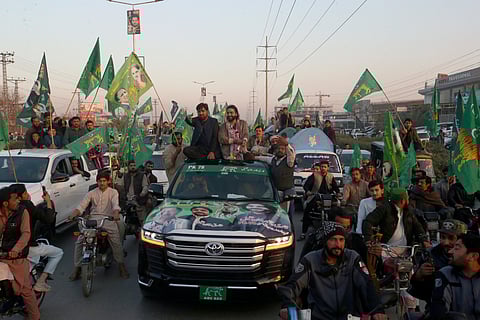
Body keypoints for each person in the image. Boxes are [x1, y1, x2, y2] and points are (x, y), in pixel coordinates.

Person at [278, 222, 386, 320]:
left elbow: (367, 285)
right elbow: (291, 286)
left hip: (349, 317)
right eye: (333, 239)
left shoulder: (353, 258)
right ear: (325, 241)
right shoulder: (310, 260)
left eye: (341, 240)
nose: (338, 244)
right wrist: (288, 306)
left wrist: (378, 310)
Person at [68, 170, 129, 280]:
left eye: (104, 181)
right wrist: (73, 214)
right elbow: (81, 206)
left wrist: (115, 214)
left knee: (115, 241)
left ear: (108, 181)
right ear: (97, 182)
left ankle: (121, 265)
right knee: (80, 240)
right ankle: (77, 268)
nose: (102, 183)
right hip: (93, 219)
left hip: (108, 219)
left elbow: (115, 205)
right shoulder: (91, 193)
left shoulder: (113, 192)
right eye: (100, 181)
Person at [10, 184, 63, 293]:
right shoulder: (27, 206)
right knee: (58, 252)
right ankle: (41, 281)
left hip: (9, 247)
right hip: (27, 247)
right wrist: (48, 201)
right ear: (20, 197)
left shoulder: (6, 208)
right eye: (25, 193)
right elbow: (48, 219)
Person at [0, 187, 41, 320]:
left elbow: (26, 234)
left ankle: (35, 316)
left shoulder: (22, 212)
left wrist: (15, 250)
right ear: (5, 203)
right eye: (14, 198)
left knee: (24, 290)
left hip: (17, 256)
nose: (18, 200)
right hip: (2, 256)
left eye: (18, 197)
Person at [409, 219, 468, 307]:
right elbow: (420, 292)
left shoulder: (472, 258)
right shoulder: (431, 255)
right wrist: (419, 276)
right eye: (443, 237)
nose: (445, 242)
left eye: (451, 238)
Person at [430, 233, 480, 320]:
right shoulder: (445, 274)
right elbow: (438, 310)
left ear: (473, 256)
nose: (450, 251)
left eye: (456, 248)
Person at [363, 188, 429, 248]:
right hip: (387, 249)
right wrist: (369, 239)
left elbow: (417, 226)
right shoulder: (384, 209)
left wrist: (424, 240)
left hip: (406, 248)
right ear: (403, 201)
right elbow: (368, 221)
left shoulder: (409, 211)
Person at [300, 161, 340, 240]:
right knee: (307, 211)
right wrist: (308, 191)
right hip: (315, 196)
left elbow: (335, 187)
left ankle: (336, 229)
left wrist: (338, 193)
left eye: (325, 167)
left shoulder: (331, 176)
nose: (323, 168)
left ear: (328, 168)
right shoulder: (314, 175)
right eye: (322, 167)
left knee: (337, 209)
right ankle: (303, 233)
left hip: (328, 197)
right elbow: (306, 185)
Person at [115, 160, 149, 224]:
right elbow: (120, 186)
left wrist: (141, 194)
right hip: (127, 200)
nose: (133, 167)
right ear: (128, 167)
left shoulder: (142, 175)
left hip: (138, 200)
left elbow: (145, 187)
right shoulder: (125, 176)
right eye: (131, 166)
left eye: (134, 165)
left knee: (143, 221)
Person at [270, 136, 295, 211]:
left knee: (286, 214)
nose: (280, 150)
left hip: (287, 193)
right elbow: (261, 158)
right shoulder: (273, 160)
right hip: (276, 192)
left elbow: (291, 154)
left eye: (282, 149)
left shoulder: (289, 161)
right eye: (278, 148)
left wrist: (287, 145)